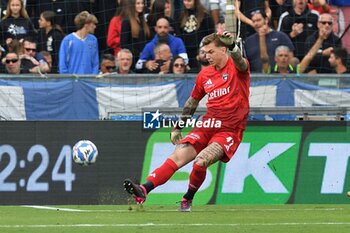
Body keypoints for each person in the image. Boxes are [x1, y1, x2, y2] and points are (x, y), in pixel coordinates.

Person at [124, 30, 250, 212]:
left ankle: (187, 198)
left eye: (211, 52)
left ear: (223, 49)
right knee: (177, 156)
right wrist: (178, 126)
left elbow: (241, 62)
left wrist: (233, 46)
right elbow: (192, 102)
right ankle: (144, 189)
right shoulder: (204, 75)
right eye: (205, 53)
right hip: (208, 125)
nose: (207, 56)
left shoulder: (237, 68)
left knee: (200, 161)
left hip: (230, 130)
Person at [178, 0, 215, 71]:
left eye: (189, 1)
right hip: (185, 52)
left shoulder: (205, 17)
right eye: (185, 0)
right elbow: (179, 34)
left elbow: (210, 36)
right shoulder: (181, 16)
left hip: (199, 53)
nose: (186, 3)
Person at [120, 0, 151, 70]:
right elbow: (123, 44)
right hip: (133, 60)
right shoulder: (126, 21)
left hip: (143, 59)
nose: (141, 5)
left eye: (142, 3)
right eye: (138, 3)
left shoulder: (143, 21)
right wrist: (138, 53)